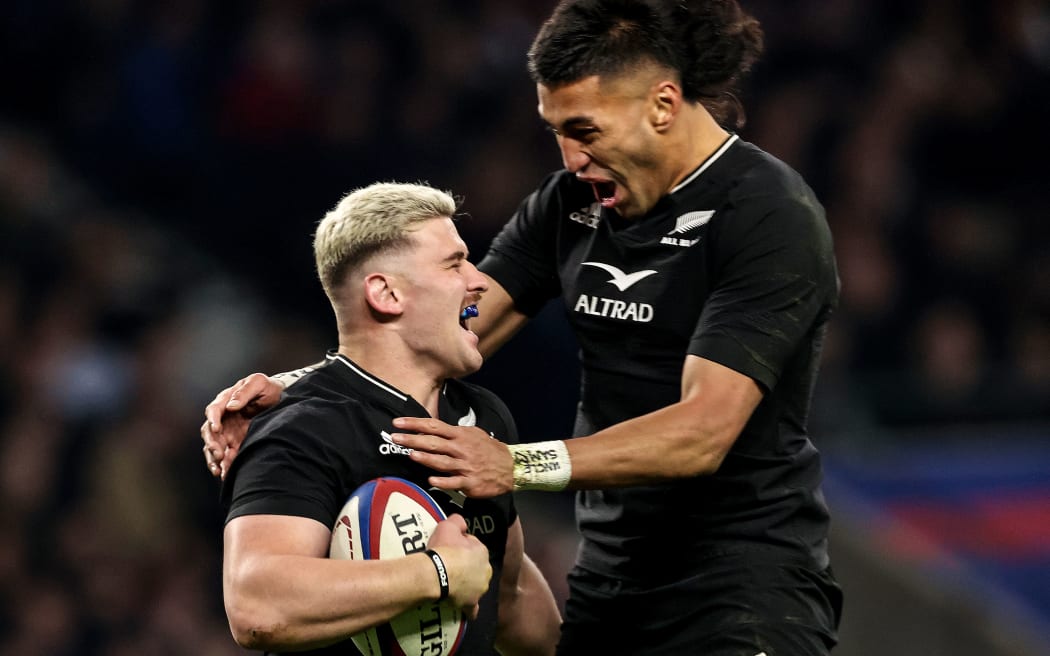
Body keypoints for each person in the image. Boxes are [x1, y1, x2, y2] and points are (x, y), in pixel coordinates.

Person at [205, 1, 843, 653]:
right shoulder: (573, 205)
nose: (571, 158)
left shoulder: (768, 216)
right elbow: (441, 322)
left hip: (744, 592)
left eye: (586, 131)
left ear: (662, 104)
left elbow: (704, 432)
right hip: (610, 588)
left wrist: (516, 464)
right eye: (556, 130)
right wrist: (302, 389)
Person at [218, 181, 561, 655]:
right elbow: (257, 607)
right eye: (454, 263)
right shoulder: (304, 428)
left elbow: (510, 594)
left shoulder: (483, 415)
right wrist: (435, 573)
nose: (479, 280)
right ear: (386, 294)